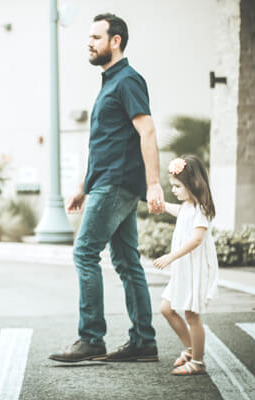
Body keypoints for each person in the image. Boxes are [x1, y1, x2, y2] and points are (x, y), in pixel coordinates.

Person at [49, 13, 165, 364]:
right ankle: (144, 341)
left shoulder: (128, 81)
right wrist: (83, 185)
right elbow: (106, 143)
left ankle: (91, 338)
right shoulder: (109, 83)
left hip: (116, 184)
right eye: (89, 37)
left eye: (96, 37)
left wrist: (155, 183)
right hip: (105, 181)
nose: (89, 42)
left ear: (115, 41)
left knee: (85, 252)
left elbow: (147, 132)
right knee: (128, 261)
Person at [152, 155, 219, 375]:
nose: (174, 190)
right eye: (172, 185)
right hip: (184, 270)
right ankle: (191, 349)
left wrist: (171, 256)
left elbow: (196, 239)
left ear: (193, 184)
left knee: (192, 315)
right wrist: (162, 207)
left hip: (196, 270)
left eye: (178, 186)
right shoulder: (187, 206)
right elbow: (178, 212)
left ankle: (198, 362)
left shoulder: (201, 209)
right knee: (166, 308)